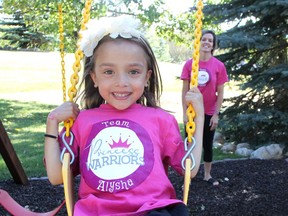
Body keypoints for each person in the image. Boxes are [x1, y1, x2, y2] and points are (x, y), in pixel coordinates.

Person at [44, 16, 204, 216]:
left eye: (133, 72)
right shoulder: (83, 120)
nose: (122, 82)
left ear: (147, 77)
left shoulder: (161, 120)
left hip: (152, 209)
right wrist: (52, 122)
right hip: (98, 212)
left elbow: (190, 168)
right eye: (109, 72)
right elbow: (56, 177)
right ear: (94, 77)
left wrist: (199, 119)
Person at [180, 30, 229, 186]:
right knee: (190, 144)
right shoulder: (190, 64)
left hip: (208, 112)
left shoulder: (219, 66)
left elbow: (220, 93)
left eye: (210, 41)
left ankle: (207, 175)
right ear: (199, 42)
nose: (207, 42)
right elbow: (184, 90)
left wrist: (216, 114)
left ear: (213, 45)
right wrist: (184, 112)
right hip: (192, 112)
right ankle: (188, 175)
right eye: (204, 39)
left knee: (207, 144)